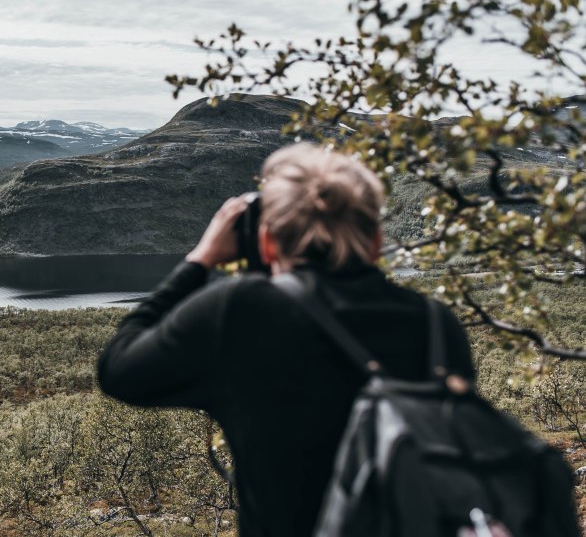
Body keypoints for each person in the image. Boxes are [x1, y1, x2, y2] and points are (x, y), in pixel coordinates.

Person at [96, 143, 475, 537]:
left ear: (267, 242)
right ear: (376, 241)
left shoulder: (240, 312)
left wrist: (200, 260)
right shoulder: (435, 322)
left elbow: (118, 370)